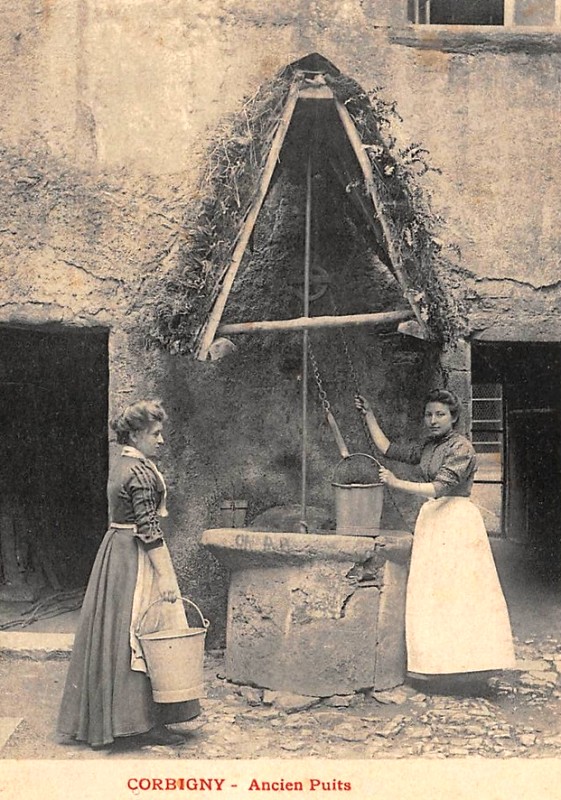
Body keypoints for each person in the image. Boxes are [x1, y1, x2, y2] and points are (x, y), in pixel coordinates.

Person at [57, 400, 200, 749]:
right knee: (141, 632)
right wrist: (165, 577)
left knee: (117, 635)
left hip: (115, 551)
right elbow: (148, 530)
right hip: (134, 555)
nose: (161, 440)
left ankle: (115, 719)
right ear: (135, 435)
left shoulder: (123, 462)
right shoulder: (138, 472)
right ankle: (139, 722)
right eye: (155, 433)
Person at [355, 388, 515, 687]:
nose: (433, 420)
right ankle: (434, 665)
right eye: (429, 414)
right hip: (433, 521)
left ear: (454, 417)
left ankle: (472, 667)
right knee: (431, 592)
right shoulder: (428, 446)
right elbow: (387, 448)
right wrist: (369, 415)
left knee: (461, 593)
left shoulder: (462, 448)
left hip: (456, 521)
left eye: (440, 414)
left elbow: (439, 488)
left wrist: (395, 482)